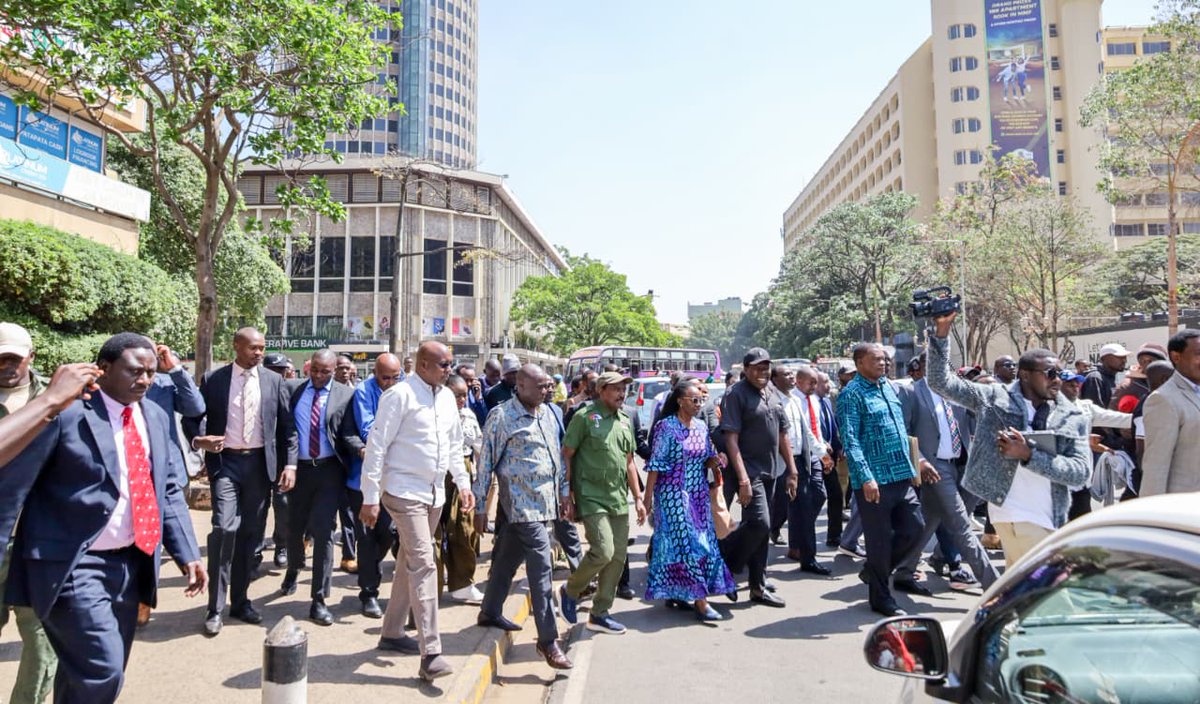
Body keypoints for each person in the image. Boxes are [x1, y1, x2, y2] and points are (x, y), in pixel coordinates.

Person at [0, 333, 207, 703]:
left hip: (131, 564)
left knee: (82, 673)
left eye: (149, 372)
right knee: (102, 670)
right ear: (105, 368)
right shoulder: (67, 414)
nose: (143, 380)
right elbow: (14, 486)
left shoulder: (156, 417)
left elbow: (168, 490)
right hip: (72, 565)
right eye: (133, 371)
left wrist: (188, 553)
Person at [927, 312, 1090, 567]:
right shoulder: (994, 398)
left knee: (1023, 595)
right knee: (1050, 590)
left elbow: (1080, 473)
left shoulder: (1072, 415)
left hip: (1053, 517)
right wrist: (941, 334)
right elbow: (940, 382)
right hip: (1013, 512)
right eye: (1049, 373)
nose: (1057, 379)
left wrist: (1028, 455)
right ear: (1025, 375)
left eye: (1060, 373)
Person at [359, 341, 475, 682]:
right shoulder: (399, 396)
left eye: (451, 364)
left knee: (409, 563)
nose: (448, 370)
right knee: (425, 562)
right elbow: (377, 446)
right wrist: (370, 497)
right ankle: (432, 653)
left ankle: (392, 633)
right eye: (443, 364)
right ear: (423, 365)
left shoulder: (445, 399)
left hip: (435, 493)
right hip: (403, 491)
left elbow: (455, 445)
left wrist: (464, 483)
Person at [183, 327, 298, 636]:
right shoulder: (214, 380)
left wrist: (290, 465)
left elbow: (288, 429)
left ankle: (241, 601)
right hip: (226, 465)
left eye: (262, 347)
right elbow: (191, 418)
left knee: (251, 534)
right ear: (236, 346)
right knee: (223, 527)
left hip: (260, 466)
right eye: (252, 347)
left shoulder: (275, 382)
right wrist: (199, 441)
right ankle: (214, 607)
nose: (258, 352)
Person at [473, 364, 573, 669]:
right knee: (542, 570)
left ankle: (489, 611)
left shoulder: (550, 413)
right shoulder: (502, 416)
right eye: (541, 386)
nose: (547, 390)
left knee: (505, 560)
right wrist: (480, 507)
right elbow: (486, 462)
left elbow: (556, 457)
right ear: (521, 385)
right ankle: (547, 641)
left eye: (548, 386)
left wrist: (564, 492)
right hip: (519, 504)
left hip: (546, 505)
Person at [894, 355, 999, 594]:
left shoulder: (957, 391)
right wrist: (919, 460)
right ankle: (994, 586)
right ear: (922, 368)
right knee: (961, 524)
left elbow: (981, 415)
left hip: (961, 464)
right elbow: (903, 432)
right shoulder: (911, 393)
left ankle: (903, 569)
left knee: (930, 520)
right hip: (934, 466)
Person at [837, 343, 924, 617]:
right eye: (877, 359)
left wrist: (915, 465)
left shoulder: (888, 386)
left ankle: (874, 571)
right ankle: (881, 599)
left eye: (885, 359)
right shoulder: (851, 394)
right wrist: (865, 477)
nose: (884, 363)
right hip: (874, 482)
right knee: (879, 542)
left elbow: (901, 430)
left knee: (915, 529)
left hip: (901, 474)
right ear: (860, 362)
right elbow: (850, 440)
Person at [278, 350, 363, 626]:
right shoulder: (293, 390)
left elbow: (348, 433)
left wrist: (363, 451)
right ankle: (293, 568)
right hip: (299, 471)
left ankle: (319, 598)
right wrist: (288, 465)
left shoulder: (345, 395)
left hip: (329, 471)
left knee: (325, 531)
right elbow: (288, 431)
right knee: (293, 527)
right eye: (314, 369)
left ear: (335, 370)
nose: (318, 376)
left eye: (324, 371)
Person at [559, 371, 646, 634]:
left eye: (624, 389)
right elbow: (567, 455)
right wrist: (567, 495)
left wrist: (639, 498)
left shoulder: (624, 420)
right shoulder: (584, 417)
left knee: (618, 557)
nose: (622, 394)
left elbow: (630, 461)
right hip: (590, 495)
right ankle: (570, 590)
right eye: (616, 389)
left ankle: (599, 613)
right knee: (604, 550)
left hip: (618, 497)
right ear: (601, 390)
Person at [642, 380, 737, 621]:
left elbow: (706, 457)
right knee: (689, 544)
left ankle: (678, 592)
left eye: (701, 400)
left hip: (698, 493)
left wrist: (715, 461)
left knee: (701, 542)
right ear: (679, 401)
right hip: (672, 494)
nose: (698, 404)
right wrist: (647, 499)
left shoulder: (701, 427)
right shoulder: (666, 426)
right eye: (694, 400)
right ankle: (701, 602)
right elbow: (655, 465)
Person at [0, 322, 57, 703]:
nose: (6, 366)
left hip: (39, 541)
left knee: (42, 640)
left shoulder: (61, 397)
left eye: (13, 358)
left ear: (30, 357)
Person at [716, 348, 797, 609]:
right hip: (750, 471)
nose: (763, 372)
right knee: (760, 524)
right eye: (757, 368)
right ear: (746, 369)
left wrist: (792, 470)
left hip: (772, 470)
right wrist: (742, 480)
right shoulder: (735, 394)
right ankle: (725, 562)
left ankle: (758, 586)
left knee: (761, 530)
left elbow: (783, 432)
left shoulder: (771, 391)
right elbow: (731, 439)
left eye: (766, 367)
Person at [348, 353, 403, 618]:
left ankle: (369, 568)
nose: (391, 383)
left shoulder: (405, 390)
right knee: (367, 536)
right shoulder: (363, 392)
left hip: (396, 476)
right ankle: (369, 593)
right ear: (375, 374)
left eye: (396, 377)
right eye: (385, 378)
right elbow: (370, 429)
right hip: (366, 477)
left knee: (390, 532)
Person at [772, 366, 830, 575]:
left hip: (802, 459)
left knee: (811, 500)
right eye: (785, 375)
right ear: (774, 379)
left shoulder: (795, 401)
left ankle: (803, 552)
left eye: (791, 374)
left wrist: (822, 453)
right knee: (789, 507)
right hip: (781, 462)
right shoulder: (772, 401)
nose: (790, 378)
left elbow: (806, 431)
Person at [438, 376, 483, 603]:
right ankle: (432, 588)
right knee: (433, 536)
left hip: (461, 474)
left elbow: (478, 448)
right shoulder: (433, 414)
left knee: (463, 529)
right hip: (435, 473)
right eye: (457, 394)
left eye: (465, 394)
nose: (462, 399)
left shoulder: (468, 416)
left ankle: (462, 583)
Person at [1141, 330, 1200, 496]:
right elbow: (1156, 465)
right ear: (1176, 357)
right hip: (1185, 506)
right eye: (1198, 354)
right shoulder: (1163, 399)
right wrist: (1154, 515)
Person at [260, 352, 296, 569]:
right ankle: (253, 554)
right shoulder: (254, 388)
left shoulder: (290, 390)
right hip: (257, 460)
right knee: (256, 510)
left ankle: (281, 544)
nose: (277, 375)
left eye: (281, 371)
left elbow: (291, 430)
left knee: (283, 506)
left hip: (281, 460)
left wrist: (291, 463)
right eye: (272, 371)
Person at [456, 362, 489, 427]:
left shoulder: (475, 394)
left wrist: (478, 399)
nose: (469, 384)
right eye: (466, 380)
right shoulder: (451, 395)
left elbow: (484, 420)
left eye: (471, 380)